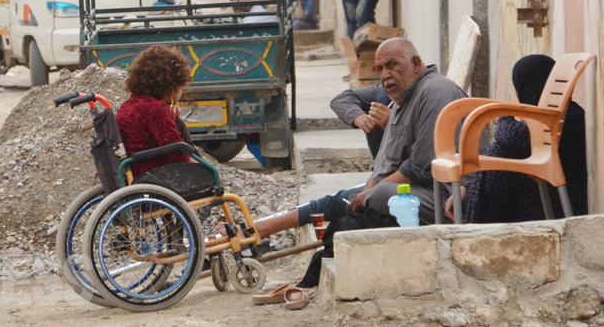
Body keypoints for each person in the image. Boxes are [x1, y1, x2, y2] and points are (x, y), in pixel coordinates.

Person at [249, 38, 476, 237]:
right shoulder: (403, 94)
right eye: (380, 69)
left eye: (392, 65)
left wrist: (372, 190)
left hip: (448, 198)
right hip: (413, 187)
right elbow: (388, 157)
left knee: (380, 194)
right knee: (343, 199)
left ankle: (259, 228)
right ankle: (258, 228)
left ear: (415, 64)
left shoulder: (434, 91)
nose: (386, 75)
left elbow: (419, 167)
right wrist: (371, 183)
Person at [445, 54, 588, 223]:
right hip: (542, 198)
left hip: (561, 204)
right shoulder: (552, 117)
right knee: (500, 154)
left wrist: (503, 115)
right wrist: (468, 187)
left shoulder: (568, 117)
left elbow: (509, 137)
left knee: (500, 152)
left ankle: (475, 231)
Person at [116, 46, 194, 179]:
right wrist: (209, 172)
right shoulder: (156, 110)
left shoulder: (130, 105)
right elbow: (177, 157)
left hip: (135, 173)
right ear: (172, 86)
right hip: (155, 177)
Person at [330, 82, 391, 159]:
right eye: (381, 70)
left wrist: (394, 123)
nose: (386, 75)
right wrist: (364, 120)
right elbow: (341, 100)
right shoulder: (384, 92)